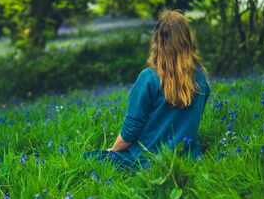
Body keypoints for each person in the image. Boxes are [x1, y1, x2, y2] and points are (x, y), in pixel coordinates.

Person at [84, 9, 210, 170]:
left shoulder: (149, 78)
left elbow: (132, 128)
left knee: (88, 158)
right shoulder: (200, 77)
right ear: (188, 39)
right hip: (188, 158)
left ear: (157, 41)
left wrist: (113, 150)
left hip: (149, 159)